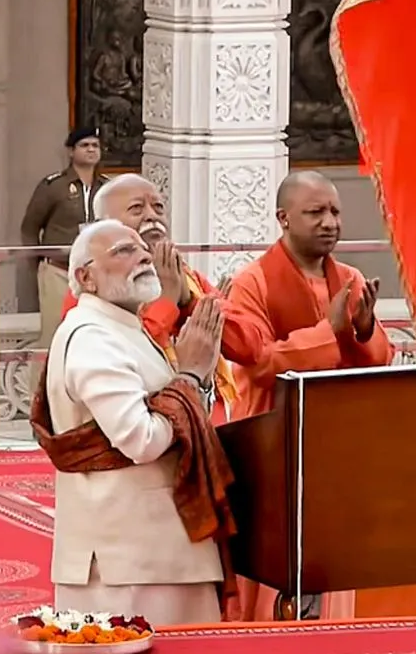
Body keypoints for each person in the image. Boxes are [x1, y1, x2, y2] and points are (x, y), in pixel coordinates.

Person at [29, 220, 237, 625]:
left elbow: (179, 414)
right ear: (85, 277)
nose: (144, 256)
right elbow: (141, 440)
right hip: (126, 563)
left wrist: (201, 374)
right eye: (123, 251)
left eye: (143, 249)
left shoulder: (127, 330)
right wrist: (191, 376)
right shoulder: (92, 336)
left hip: (157, 555)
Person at [225, 170, 395, 620]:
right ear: (283, 218)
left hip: (335, 442)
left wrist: (361, 331)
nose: (329, 222)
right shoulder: (252, 283)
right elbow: (259, 363)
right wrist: (329, 332)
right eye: (315, 212)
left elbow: (379, 359)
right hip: (271, 438)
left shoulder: (352, 278)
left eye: (335, 212)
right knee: (271, 563)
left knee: (334, 558)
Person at [56, 173, 259, 422]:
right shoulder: (90, 289)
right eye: (136, 208)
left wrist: (190, 302)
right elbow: (126, 356)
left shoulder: (185, 277)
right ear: (102, 225)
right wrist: (167, 301)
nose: (152, 216)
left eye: (158, 207)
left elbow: (250, 348)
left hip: (207, 427)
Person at [20, 125, 108, 346]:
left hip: (96, 276)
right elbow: (30, 227)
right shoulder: (54, 186)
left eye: (95, 146)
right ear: (71, 151)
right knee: (53, 337)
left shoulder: (106, 188)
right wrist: (38, 263)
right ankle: (44, 382)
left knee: (92, 337)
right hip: (58, 270)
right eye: (84, 145)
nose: (91, 150)